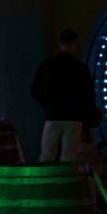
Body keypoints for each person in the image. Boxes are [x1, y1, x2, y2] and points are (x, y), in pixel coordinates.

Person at [32, 29, 99, 162]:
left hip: (53, 117)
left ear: (59, 44)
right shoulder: (81, 68)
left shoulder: (47, 66)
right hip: (74, 118)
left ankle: (46, 181)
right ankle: (66, 182)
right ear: (75, 45)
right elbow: (90, 95)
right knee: (69, 158)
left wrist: (49, 105)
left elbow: (35, 90)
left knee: (47, 156)